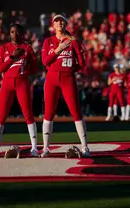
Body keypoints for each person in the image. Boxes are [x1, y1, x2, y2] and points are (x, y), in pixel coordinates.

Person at [40, 14, 89, 157]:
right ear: (53, 25)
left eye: (62, 21)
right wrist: (59, 49)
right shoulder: (48, 41)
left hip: (68, 79)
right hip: (52, 79)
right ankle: (46, 148)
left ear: (66, 24)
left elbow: (82, 63)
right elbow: (45, 61)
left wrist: (70, 70)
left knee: (76, 112)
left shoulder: (73, 41)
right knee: (48, 113)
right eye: (56, 21)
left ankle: (85, 147)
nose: (59, 23)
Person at [0, 24, 39, 157]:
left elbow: (35, 69)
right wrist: (12, 58)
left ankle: (34, 148)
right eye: (12, 31)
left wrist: (23, 71)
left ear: (23, 33)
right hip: (7, 84)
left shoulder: (27, 48)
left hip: (22, 84)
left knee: (28, 114)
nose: (15, 34)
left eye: (18, 32)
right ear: (9, 34)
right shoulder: (4, 48)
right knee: (1, 115)